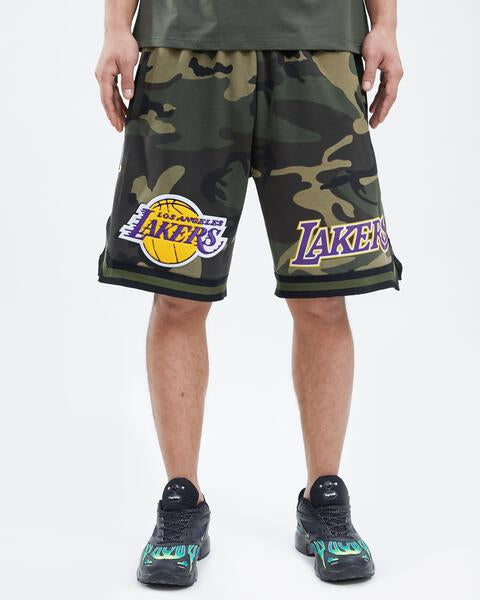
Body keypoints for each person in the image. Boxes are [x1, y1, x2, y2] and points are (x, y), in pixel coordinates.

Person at [95, 0, 403, 586]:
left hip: (320, 49)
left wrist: (385, 24)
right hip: (184, 47)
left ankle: (324, 499)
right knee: (178, 294)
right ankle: (182, 501)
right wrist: (115, 27)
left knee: (323, 296)